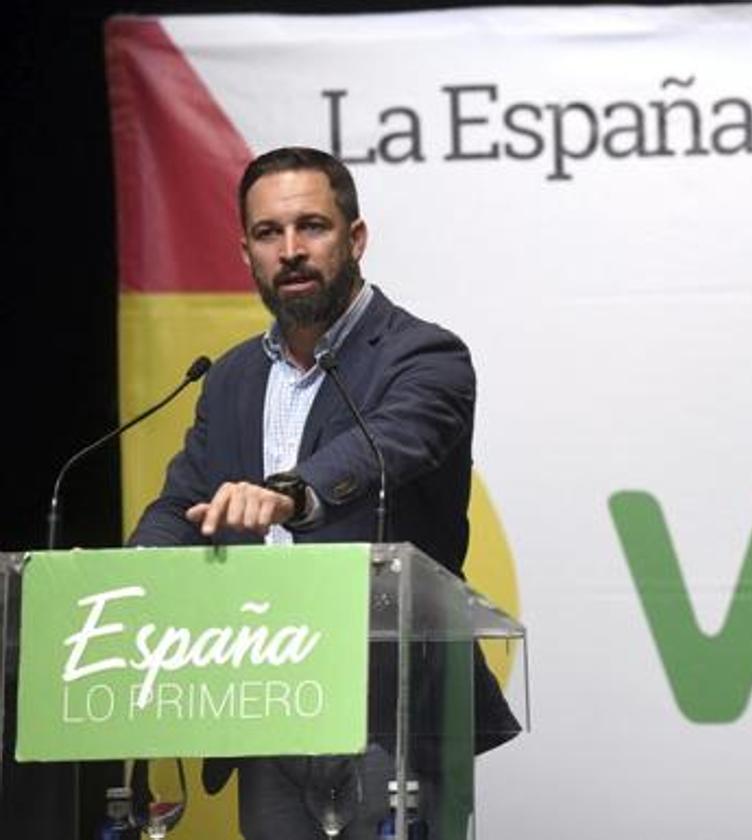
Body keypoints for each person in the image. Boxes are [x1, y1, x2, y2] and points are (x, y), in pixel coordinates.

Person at [130, 146, 517, 839]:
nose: (292, 251)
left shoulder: (425, 356)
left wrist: (290, 494)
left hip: (388, 716)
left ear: (356, 238)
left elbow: (387, 444)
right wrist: (124, 584)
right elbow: (181, 503)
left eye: (312, 227)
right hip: (269, 706)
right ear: (247, 251)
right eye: (269, 234)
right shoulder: (232, 378)